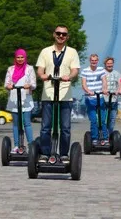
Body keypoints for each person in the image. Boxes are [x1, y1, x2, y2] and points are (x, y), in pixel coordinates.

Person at [36, 25, 80, 162]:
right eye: (59, 33)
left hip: (65, 95)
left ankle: (64, 154)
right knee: (45, 127)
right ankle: (45, 153)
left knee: (65, 128)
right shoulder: (45, 52)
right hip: (48, 93)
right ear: (54, 34)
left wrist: (70, 76)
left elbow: (75, 70)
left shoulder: (72, 52)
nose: (61, 36)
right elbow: (40, 69)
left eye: (64, 34)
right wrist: (42, 75)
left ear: (67, 37)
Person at [5, 48, 36, 153]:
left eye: (22, 57)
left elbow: (34, 84)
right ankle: (17, 145)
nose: (20, 59)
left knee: (27, 123)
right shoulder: (11, 69)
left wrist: (29, 85)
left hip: (26, 99)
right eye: (18, 57)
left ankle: (31, 145)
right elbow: (6, 83)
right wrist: (9, 86)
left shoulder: (30, 69)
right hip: (14, 99)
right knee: (16, 124)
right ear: (15, 58)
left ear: (25, 57)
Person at [81, 54, 109, 145]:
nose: (94, 62)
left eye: (95, 60)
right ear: (90, 61)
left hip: (100, 98)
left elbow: (104, 81)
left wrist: (104, 89)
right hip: (90, 99)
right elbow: (84, 84)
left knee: (102, 120)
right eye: (92, 60)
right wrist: (88, 91)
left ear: (97, 61)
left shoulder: (101, 70)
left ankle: (105, 138)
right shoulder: (85, 71)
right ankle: (94, 139)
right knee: (93, 120)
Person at [103, 57, 121, 134]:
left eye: (111, 63)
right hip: (103, 99)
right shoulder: (102, 73)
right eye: (108, 63)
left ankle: (110, 134)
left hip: (113, 99)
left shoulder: (117, 73)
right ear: (105, 64)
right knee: (103, 118)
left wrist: (118, 91)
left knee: (112, 118)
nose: (109, 65)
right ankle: (103, 134)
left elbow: (120, 84)